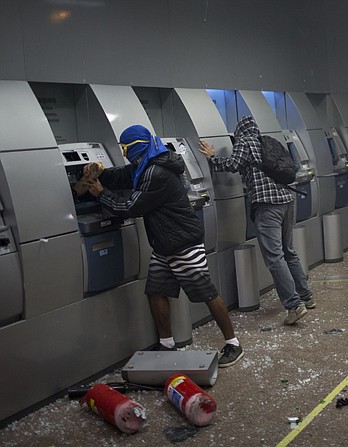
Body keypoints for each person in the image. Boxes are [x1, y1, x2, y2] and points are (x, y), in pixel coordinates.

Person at [83, 124, 244, 368]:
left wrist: (101, 194)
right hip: (164, 244)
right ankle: (167, 343)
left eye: (125, 148)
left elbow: (131, 208)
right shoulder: (146, 164)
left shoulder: (156, 173)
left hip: (183, 244)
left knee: (206, 293)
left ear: (136, 147)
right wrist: (102, 172)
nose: (124, 153)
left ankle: (233, 343)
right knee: (156, 292)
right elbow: (124, 175)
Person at [199, 115, 314, 325]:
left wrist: (212, 158)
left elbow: (233, 164)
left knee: (274, 257)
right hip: (287, 201)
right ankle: (306, 296)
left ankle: (294, 305)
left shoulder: (244, 142)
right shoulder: (268, 141)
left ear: (239, 132)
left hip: (267, 205)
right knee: (289, 252)